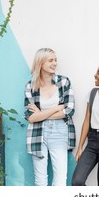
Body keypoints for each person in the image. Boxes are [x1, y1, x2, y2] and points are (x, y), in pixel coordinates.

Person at [24, 48, 76, 186]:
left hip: (59, 131)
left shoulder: (64, 82)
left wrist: (40, 114)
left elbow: (69, 110)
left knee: (60, 179)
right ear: (40, 63)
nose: (55, 63)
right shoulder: (30, 86)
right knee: (40, 180)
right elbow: (30, 117)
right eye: (51, 60)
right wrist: (56, 108)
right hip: (36, 132)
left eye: (55, 60)